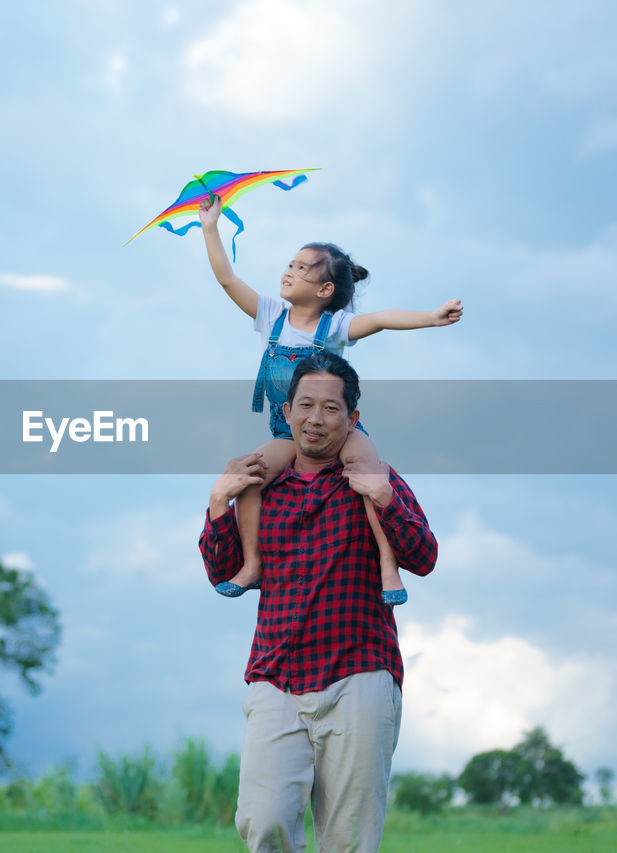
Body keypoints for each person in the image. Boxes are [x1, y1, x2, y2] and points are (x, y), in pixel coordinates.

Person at [199, 351, 438, 852]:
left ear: (352, 419)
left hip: (359, 673)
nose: (315, 418)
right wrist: (218, 502)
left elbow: (424, 556)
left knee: (349, 838)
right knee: (263, 822)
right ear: (286, 413)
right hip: (276, 675)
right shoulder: (262, 489)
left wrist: (386, 499)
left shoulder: (374, 477)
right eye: (305, 405)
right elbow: (222, 573)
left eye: (331, 408)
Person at [198, 193, 458, 605]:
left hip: (340, 431)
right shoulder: (270, 316)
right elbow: (227, 278)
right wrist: (210, 227)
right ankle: (252, 564)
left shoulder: (335, 325)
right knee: (250, 475)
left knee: (368, 474)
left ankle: (388, 567)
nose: (289, 272)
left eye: (302, 269)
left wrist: (430, 317)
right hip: (289, 432)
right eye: (290, 264)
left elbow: (384, 319)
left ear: (324, 289)